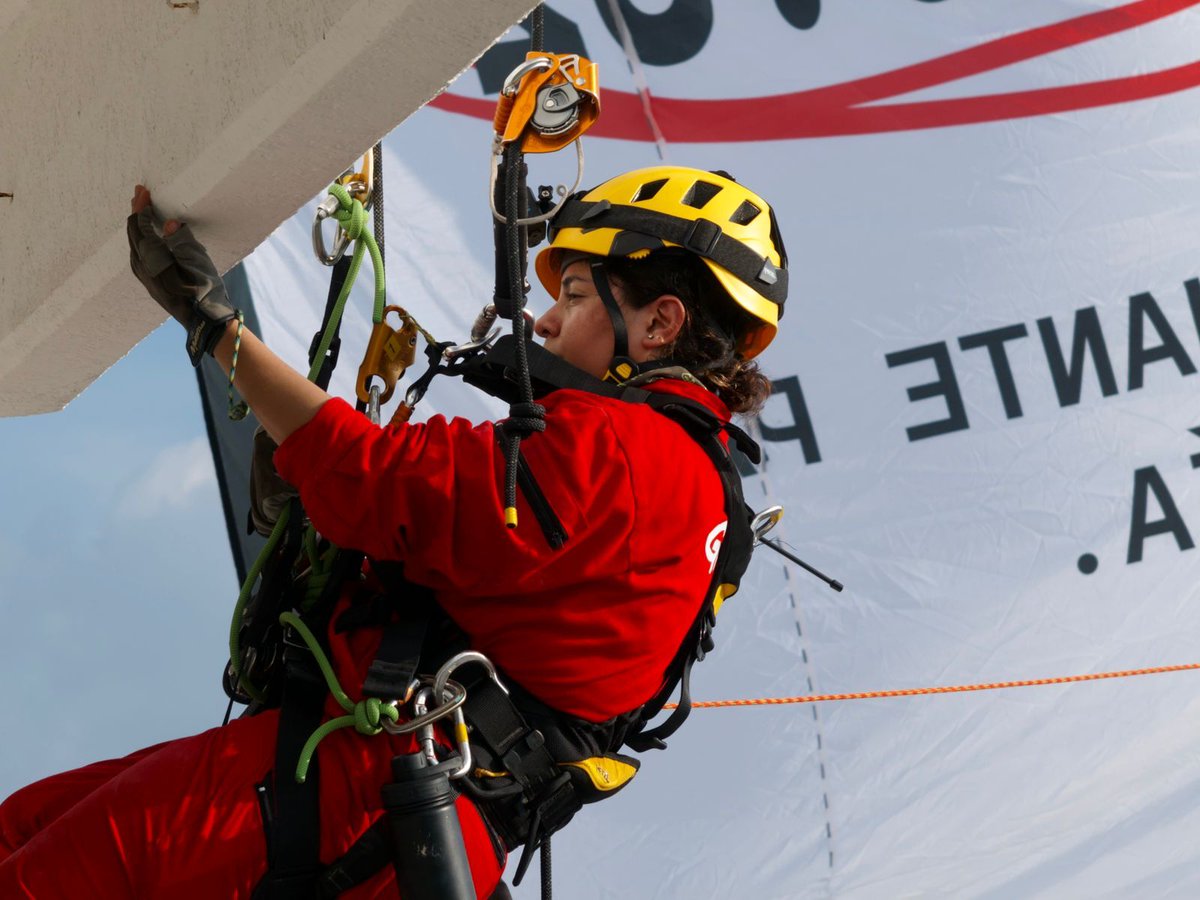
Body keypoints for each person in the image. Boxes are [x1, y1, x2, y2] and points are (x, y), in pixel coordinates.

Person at [0, 165, 787, 898]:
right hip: (404, 807)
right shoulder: (698, 487)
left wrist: (215, 327)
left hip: (365, 785)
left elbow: (379, 482)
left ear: (660, 323)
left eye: (576, 293)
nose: (546, 320)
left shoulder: (625, 451)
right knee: (22, 830)